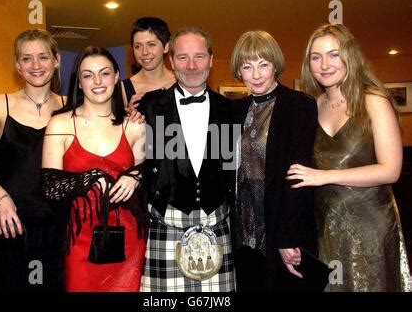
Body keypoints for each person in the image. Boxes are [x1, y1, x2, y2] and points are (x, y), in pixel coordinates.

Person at [287, 24, 411, 292]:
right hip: (325, 230)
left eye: (334, 54)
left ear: (350, 56)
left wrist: (325, 176)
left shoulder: (373, 101)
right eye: (316, 57)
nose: (324, 64)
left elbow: (391, 170)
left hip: (370, 230)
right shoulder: (312, 106)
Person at [0, 29, 66, 291]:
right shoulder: (0, 105)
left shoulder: (71, 109)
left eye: (43, 57)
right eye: (26, 58)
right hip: (7, 228)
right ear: (17, 65)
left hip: (54, 232)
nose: (35, 66)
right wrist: (1, 199)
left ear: (57, 60)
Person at [41, 46, 147, 292]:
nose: (97, 81)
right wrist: (89, 179)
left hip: (129, 240)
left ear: (116, 76)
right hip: (79, 240)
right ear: (79, 82)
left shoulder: (134, 126)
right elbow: (49, 187)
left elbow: (152, 177)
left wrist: (136, 176)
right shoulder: (60, 124)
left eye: (104, 73)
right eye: (88, 75)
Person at [138, 27, 236, 292]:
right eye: (182, 57)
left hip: (216, 225)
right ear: (171, 61)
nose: (191, 66)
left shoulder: (231, 110)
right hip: (166, 223)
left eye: (199, 57)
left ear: (212, 60)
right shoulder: (148, 107)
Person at [229, 31, 319, 291]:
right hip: (242, 232)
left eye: (263, 65)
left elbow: (297, 176)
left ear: (275, 66)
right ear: (239, 71)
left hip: (281, 227)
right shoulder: (234, 111)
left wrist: (286, 237)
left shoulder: (299, 106)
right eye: (247, 67)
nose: (256, 75)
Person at [122, 16, 176, 109]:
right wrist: (127, 118)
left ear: (166, 47)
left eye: (151, 44)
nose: (144, 52)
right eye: (138, 46)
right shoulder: (123, 89)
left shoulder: (182, 82)